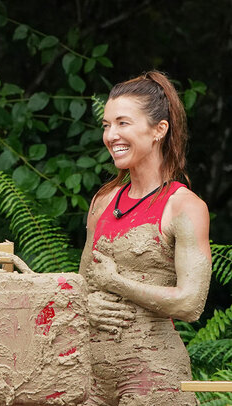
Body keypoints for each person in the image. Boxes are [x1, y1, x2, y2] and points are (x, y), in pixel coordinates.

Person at [79, 70, 211, 406]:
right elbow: (80, 285)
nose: (111, 135)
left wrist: (118, 284)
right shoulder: (103, 201)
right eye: (107, 125)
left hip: (154, 379)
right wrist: (86, 305)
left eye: (123, 123)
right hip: (90, 380)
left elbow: (190, 303)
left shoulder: (184, 207)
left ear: (158, 130)